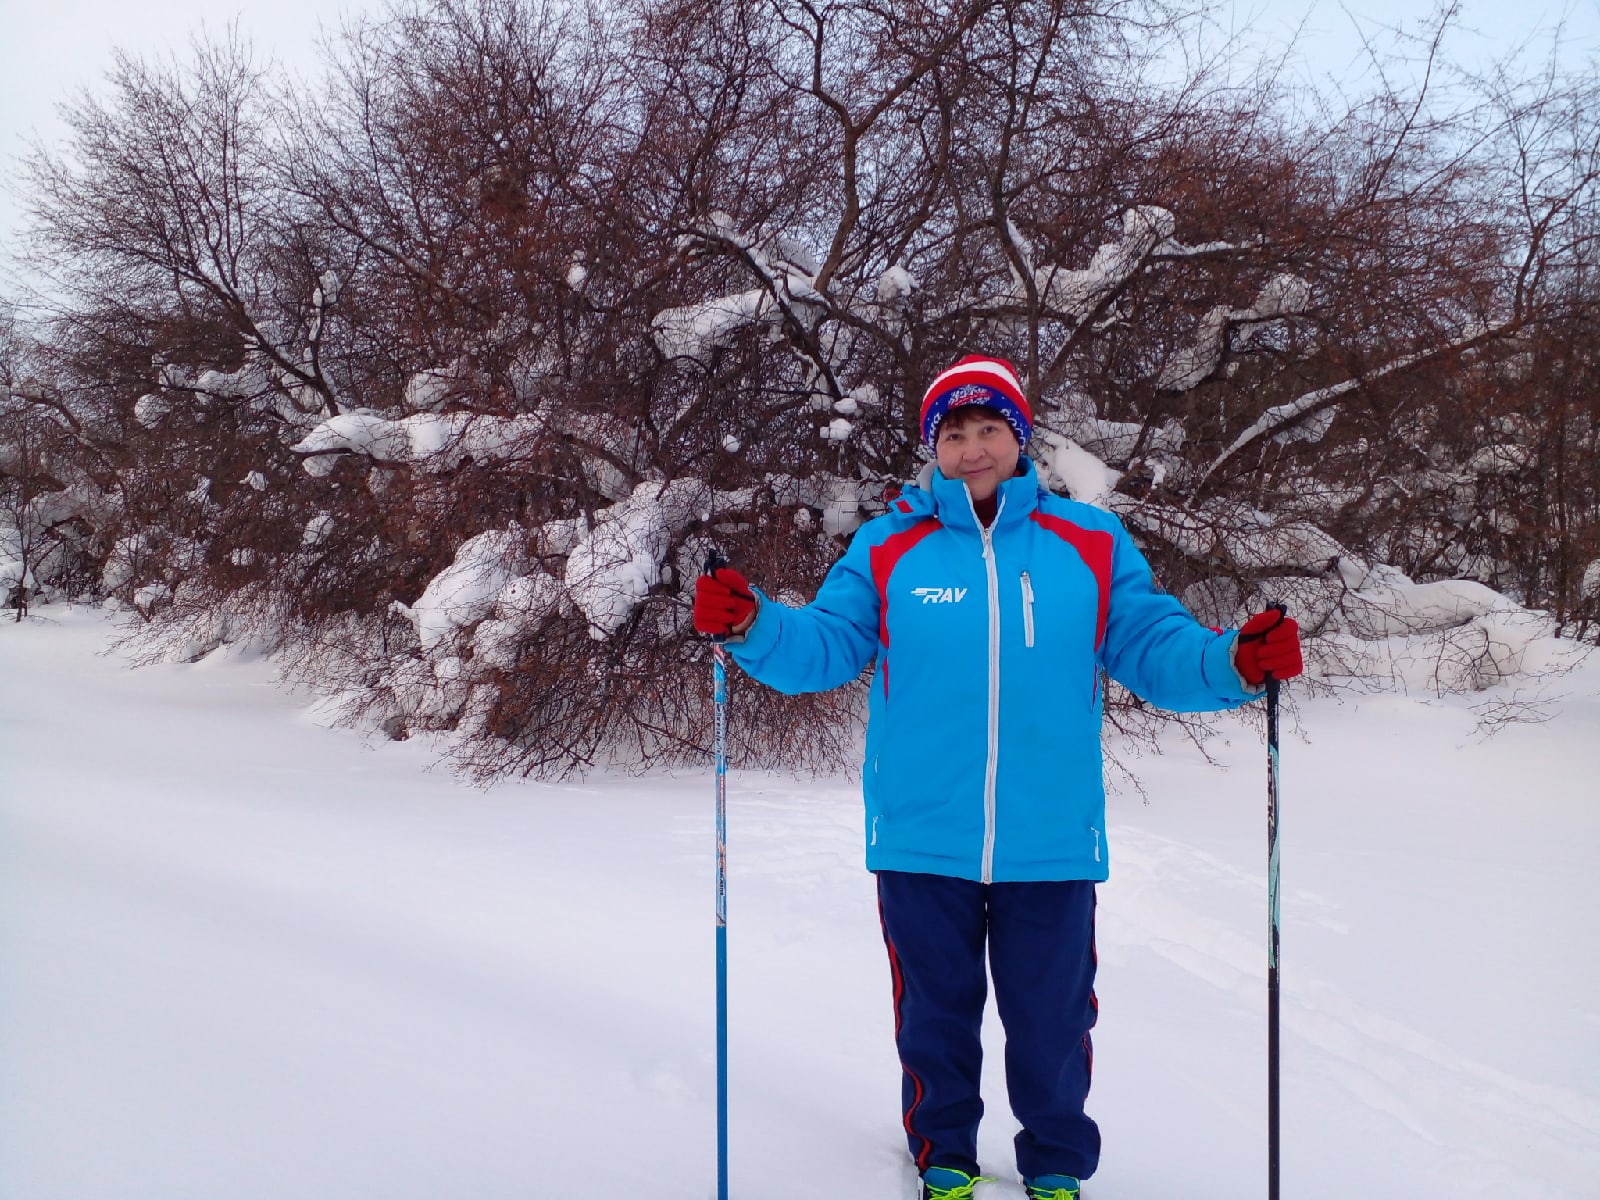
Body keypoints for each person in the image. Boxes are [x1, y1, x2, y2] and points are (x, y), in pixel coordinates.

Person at [693, 355, 1303, 1200]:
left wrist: (1233, 660)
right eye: (953, 434)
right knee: (933, 1015)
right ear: (932, 448)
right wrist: (753, 624)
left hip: (1048, 836)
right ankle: (944, 1155)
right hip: (922, 833)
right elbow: (824, 646)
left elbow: (1154, 646)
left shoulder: (1089, 544)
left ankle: (1054, 1163)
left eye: (989, 429)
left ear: (1019, 439)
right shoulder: (888, 547)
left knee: (1052, 1020)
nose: (972, 449)